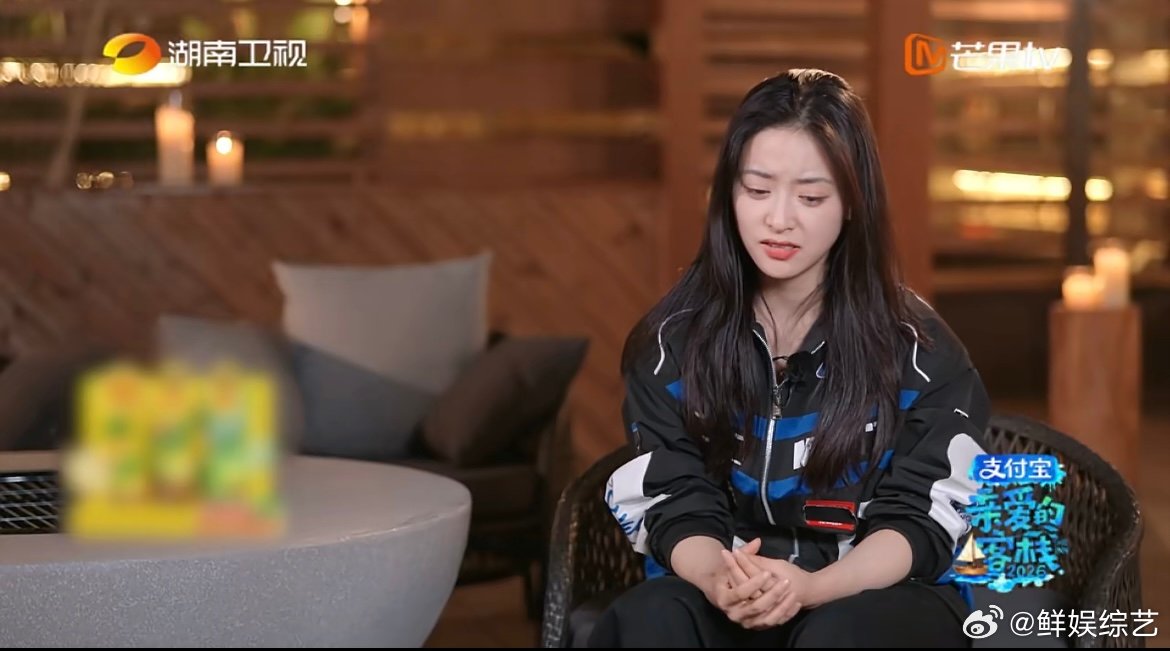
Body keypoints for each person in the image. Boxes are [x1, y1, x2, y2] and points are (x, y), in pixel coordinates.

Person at [589, 68, 990, 648]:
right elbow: (675, 496)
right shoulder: (670, 343)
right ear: (729, 194)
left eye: (810, 197)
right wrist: (721, 580)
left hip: (876, 593)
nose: (779, 219)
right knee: (651, 619)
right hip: (728, 582)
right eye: (757, 191)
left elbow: (921, 517)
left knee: (838, 637)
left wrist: (811, 588)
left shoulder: (919, 349)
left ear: (852, 203)